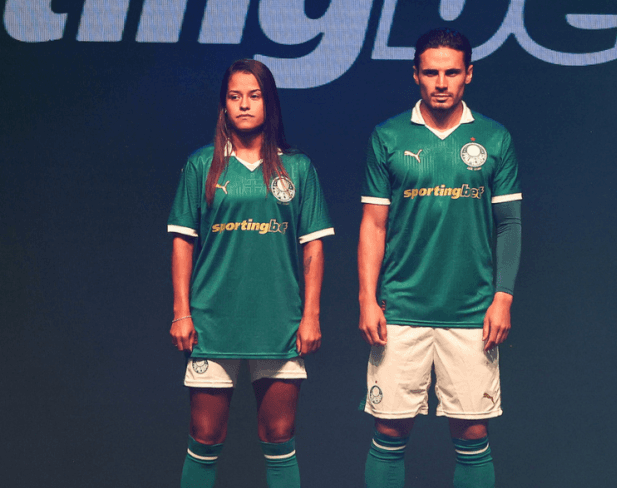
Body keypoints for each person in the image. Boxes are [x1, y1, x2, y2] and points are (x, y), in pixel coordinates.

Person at [357, 28, 522, 488]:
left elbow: (509, 225)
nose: (442, 83)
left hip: (471, 311)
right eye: (431, 73)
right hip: (400, 309)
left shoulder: (494, 137)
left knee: (472, 433)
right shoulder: (388, 136)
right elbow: (373, 225)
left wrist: (503, 297)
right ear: (416, 75)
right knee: (389, 431)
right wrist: (367, 299)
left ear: (468, 74)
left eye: (452, 72)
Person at [167, 59, 334, 488]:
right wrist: (182, 312)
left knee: (279, 434)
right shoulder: (201, 165)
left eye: (254, 96)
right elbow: (183, 242)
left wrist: (311, 316)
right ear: (223, 105)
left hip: (278, 321)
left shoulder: (297, 168)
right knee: (205, 434)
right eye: (235, 96)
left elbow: (313, 247)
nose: (244, 104)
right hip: (212, 321)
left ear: (269, 103)